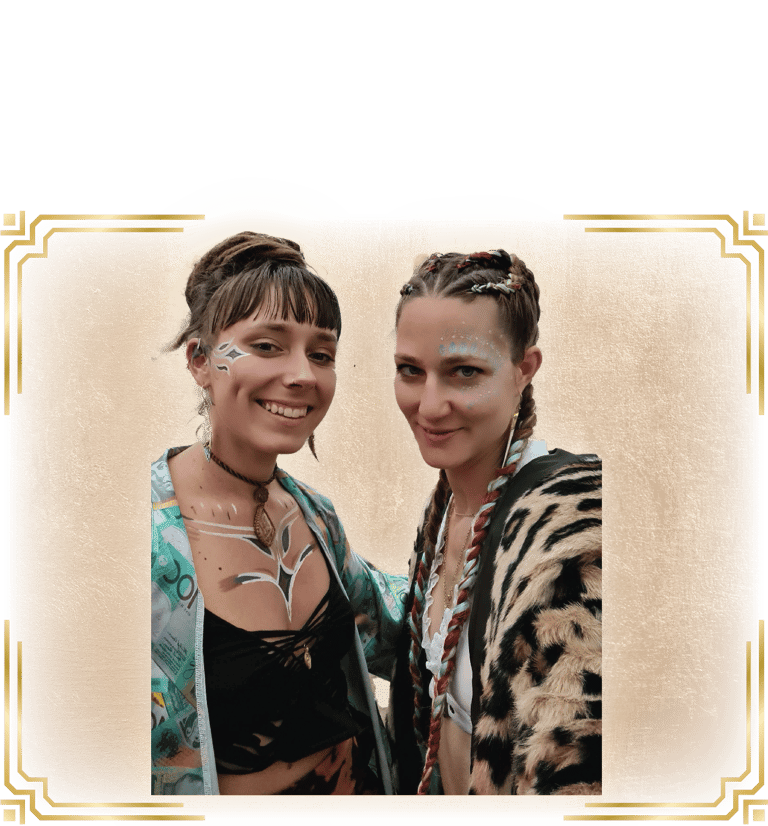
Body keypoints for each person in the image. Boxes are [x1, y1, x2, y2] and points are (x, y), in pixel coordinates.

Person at [151, 232, 406, 795]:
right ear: (199, 359)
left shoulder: (315, 514)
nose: (303, 375)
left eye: (322, 354)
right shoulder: (139, 534)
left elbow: (393, 625)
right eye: (268, 346)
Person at [388, 249, 602, 795]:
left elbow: (573, 774)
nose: (430, 406)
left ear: (524, 370)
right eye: (411, 371)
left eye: (464, 372)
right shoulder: (448, 509)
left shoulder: (568, 535)